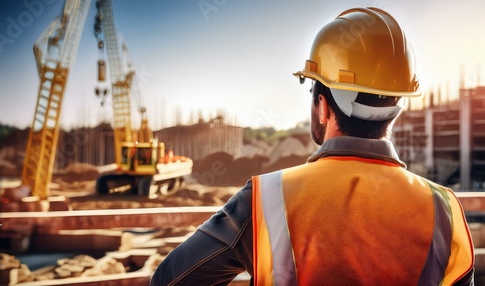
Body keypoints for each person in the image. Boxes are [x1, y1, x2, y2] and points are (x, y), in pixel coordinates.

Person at [150, 7, 475, 285]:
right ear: (396, 106)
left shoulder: (266, 199)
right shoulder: (445, 210)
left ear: (323, 104)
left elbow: (169, 280)